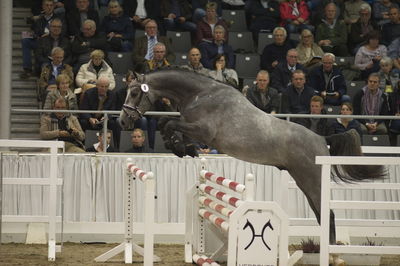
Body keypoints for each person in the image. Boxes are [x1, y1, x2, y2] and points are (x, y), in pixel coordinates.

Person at [20, 0, 63, 78]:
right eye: (47, 5)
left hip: (53, 41)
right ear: (43, 7)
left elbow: (64, 30)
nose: (49, 7)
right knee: (25, 41)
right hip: (40, 41)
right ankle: (27, 69)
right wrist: (38, 35)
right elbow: (35, 31)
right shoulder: (39, 19)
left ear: (54, 7)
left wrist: (50, 34)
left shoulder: (59, 18)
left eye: (51, 5)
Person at [79, 77, 120, 147]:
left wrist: (106, 116)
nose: (104, 89)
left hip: (104, 119)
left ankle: (115, 146)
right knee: (83, 122)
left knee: (114, 123)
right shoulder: (88, 93)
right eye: (101, 86)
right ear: (97, 86)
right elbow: (83, 110)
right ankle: (83, 145)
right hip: (91, 118)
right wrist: (90, 118)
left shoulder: (112, 95)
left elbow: (112, 110)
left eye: (106, 87)